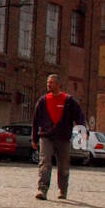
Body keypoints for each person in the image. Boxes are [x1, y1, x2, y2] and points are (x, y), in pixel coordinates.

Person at [29, 73, 87, 201]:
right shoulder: (42, 101)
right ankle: (42, 189)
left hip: (63, 138)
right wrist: (34, 139)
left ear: (59, 84)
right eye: (48, 82)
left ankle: (62, 189)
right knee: (45, 162)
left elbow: (80, 117)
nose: (48, 84)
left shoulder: (69, 101)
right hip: (46, 137)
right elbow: (35, 121)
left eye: (51, 82)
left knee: (63, 165)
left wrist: (83, 132)